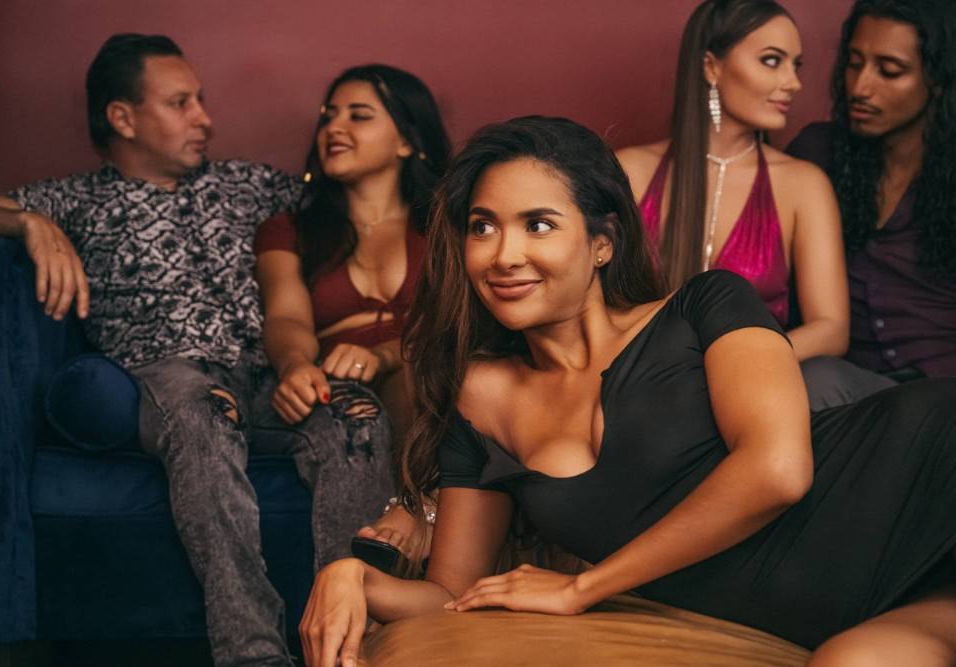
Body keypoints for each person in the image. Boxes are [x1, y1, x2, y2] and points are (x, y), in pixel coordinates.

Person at [299, 116, 956, 667]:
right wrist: (351, 576)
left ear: (603, 244)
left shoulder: (707, 306)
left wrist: (582, 587)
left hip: (930, 480)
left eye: (538, 224)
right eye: (483, 226)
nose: (503, 255)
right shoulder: (479, 402)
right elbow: (455, 591)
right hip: (891, 600)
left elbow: (777, 470)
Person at [0, 34, 389, 667]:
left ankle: (360, 639)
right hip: (173, 377)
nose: (205, 119)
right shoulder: (76, 199)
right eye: (181, 103)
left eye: (201, 100)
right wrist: (24, 222)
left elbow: (347, 202)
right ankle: (254, 655)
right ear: (123, 117)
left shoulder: (247, 185)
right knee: (203, 418)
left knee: (358, 416)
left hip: (268, 374)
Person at [616, 0, 894, 410]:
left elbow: (830, 329)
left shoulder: (802, 184)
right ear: (711, 66)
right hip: (645, 392)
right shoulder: (629, 172)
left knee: (825, 382)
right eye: (772, 61)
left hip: (755, 388)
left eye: (796, 66)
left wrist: (732, 363)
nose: (793, 83)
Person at [254, 64, 450, 566]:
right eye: (328, 116)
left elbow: (464, 318)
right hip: (345, 384)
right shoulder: (288, 229)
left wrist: (386, 353)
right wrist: (296, 365)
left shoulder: (448, 220)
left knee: (421, 374)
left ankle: (418, 513)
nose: (333, 128)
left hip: (434, 368)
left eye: (358, 116)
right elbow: (286, 317)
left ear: (406, 141)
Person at [787, 0, 956, 382]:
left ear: (939, 79)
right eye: (854, 63)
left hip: (943, 391)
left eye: (889, 71)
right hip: (849, 389)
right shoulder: (816, 155)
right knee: (815, 379)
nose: (860, 87)